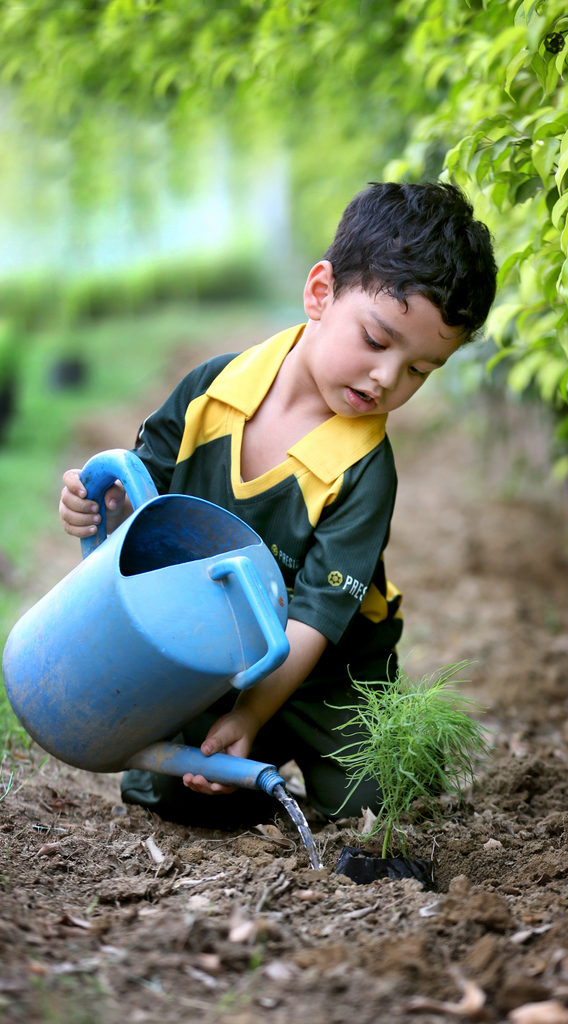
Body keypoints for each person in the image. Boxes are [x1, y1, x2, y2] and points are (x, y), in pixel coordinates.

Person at [59, 181, 497, 828]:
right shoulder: (211, 391)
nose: (386, 379)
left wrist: (253, 714)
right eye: (377, 342)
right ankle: (241, 744)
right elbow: (137, 504)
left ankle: (320, 743)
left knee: (374, 798)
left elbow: (315, 618)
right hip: (218, 650)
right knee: (183, 798)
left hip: (327, 669)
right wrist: (93, 506)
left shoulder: (363, 470)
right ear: (320, 293)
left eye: (418, 371)